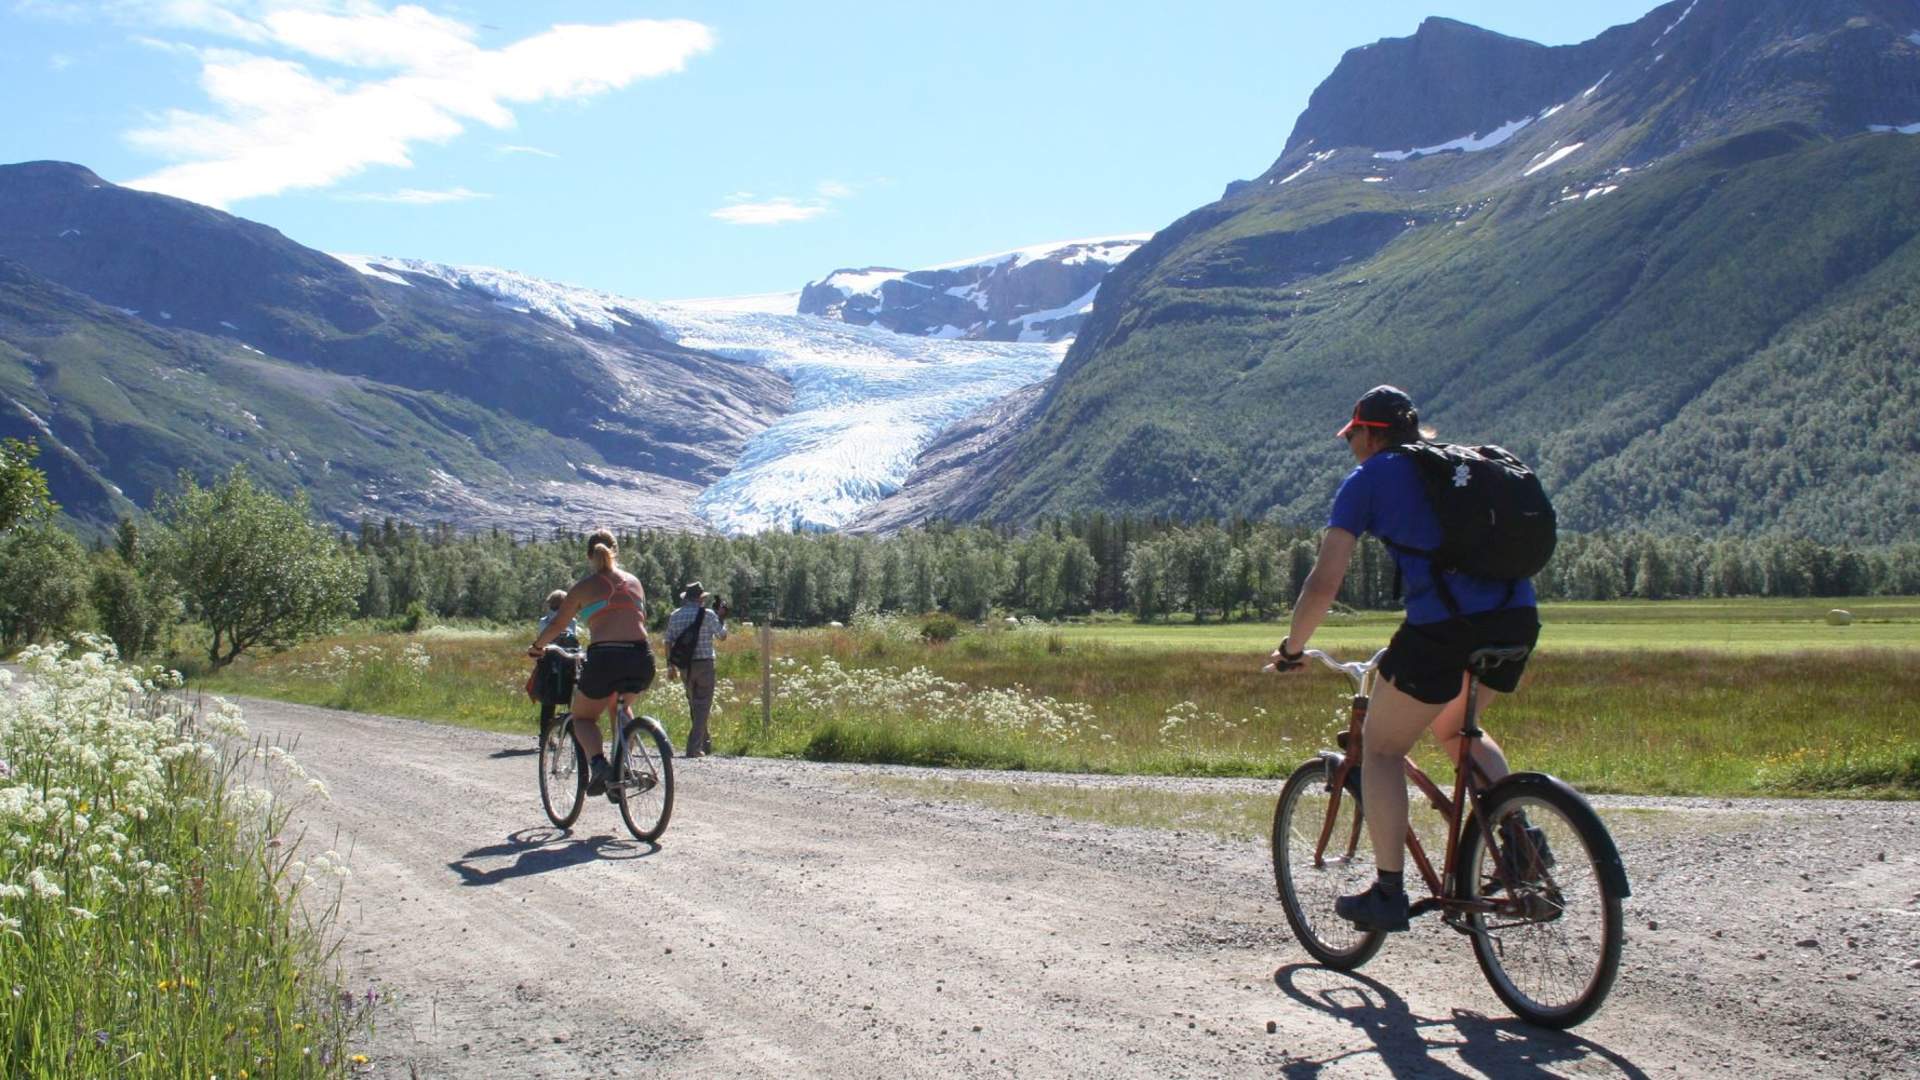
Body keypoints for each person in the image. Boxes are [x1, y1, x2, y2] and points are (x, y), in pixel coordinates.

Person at [1266, 385, 1540, 932]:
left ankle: (1388, 892)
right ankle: (1521, 842)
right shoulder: (1464, 466)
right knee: (1455, 728)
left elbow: (1324, 582)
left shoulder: (1370, 478)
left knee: (1381, 749)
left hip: (1443, 630)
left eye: (1353, 437)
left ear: (1370, 434)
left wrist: (1292, 648)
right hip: (1517, 620)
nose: (1351, 448)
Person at [528, 529, 655, 798]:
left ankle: (600, 766)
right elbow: (639, 617)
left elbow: (558, 625)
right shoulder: (635, 582)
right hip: (641, 657)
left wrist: (537, 647)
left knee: (583, 717)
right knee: (621, 706)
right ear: (615, 550)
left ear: (589, 556)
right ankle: (623, 767)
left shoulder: (584, 587)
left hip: (605, 658)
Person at [664, 581, 729, 758]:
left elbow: (668, 641)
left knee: (694, 705)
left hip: (684, 666)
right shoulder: (708, 614)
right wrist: (722, 618)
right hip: (705, 664)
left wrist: (670, 665)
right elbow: (722, 635)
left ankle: (705, 744)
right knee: (703, 705)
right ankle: (693, 748)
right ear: (700, 598)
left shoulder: (675, 615)